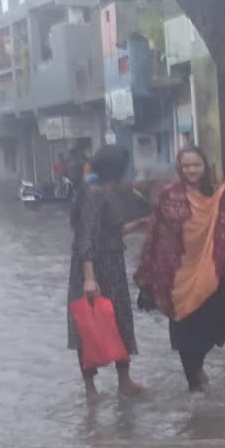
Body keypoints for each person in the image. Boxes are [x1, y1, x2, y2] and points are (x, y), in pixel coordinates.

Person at [136, 147, 225, 392]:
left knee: (212, 328)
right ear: (179, 168)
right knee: (185, 333)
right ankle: (194, 384)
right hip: (178, 275)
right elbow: (156, 235)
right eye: (186, 166)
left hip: (212, 270)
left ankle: (197, 367)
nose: (192, 170)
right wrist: (151, 273)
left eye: (196, 165)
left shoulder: (218, 194)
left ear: (205, 167)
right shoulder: (169, 195)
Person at [67, 145, 149, 405]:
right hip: (91, 267)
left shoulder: (107, 191)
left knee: (119, 318)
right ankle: (90, 389)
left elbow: (110, 231)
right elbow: (86, 238)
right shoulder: (94, 193)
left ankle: (124, 381)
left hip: (113, 265)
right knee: (87, 323)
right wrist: (90, 277)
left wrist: (136, 226)